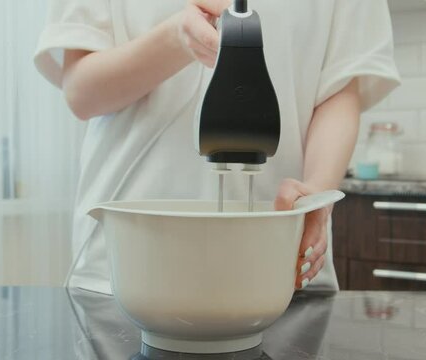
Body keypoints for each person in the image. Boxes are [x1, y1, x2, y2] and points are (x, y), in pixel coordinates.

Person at [34, 0, 400, 294]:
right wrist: (176, 39)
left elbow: (339, 87)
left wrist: (316, 193)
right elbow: (82, 93)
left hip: (279, 266)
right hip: (128, 266)